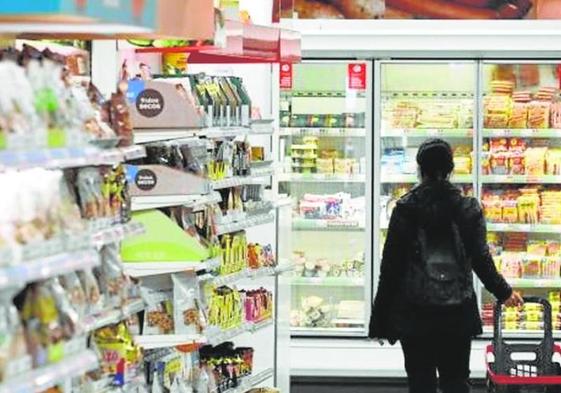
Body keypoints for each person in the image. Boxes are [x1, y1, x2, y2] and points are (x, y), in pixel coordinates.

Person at [369, 138, 523, 393]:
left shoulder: (405, 209)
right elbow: (481, 260)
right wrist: (504, 292)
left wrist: (380, 318)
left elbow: (391, 268)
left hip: (415, 312)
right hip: (456, 312)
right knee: (455, 380)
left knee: (421, 382)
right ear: (451, 169)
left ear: (420, 169)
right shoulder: (467, 207)